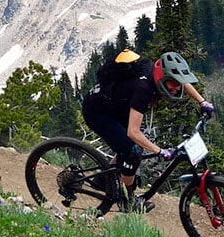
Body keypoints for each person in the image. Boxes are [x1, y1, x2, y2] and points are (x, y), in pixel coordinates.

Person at [80, 49, 214, 212]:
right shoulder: (143, 88)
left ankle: (107, 179)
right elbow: (133, 132)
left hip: (117, 106)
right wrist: (160, 151)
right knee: (133, 150)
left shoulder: (160, 74)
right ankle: (128, 201)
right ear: (163, 78)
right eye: (173, 84)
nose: (176, 88)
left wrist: (202, 102)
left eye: (178, 83)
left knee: (126, 147)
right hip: (97, 111)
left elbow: (181, 81)